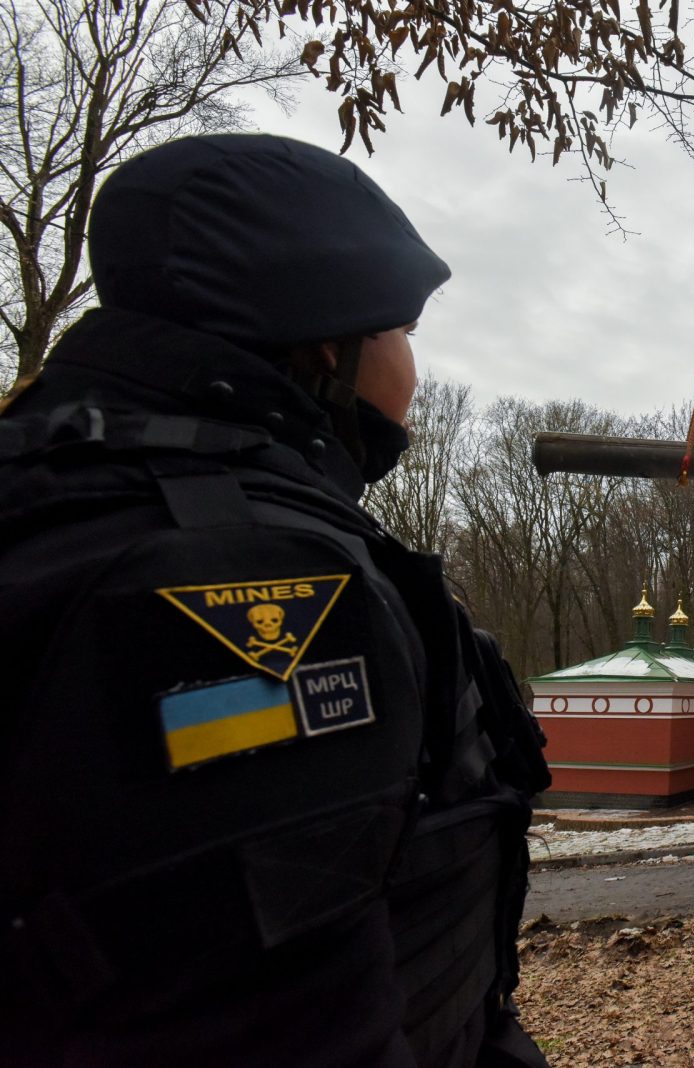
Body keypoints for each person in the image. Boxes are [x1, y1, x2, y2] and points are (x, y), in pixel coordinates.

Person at [0, 134, 551, 1067]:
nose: (413, 372)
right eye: (403, 333)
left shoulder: (61, 483)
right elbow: (282, 1022)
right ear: (328, 344)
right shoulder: (253, 581)